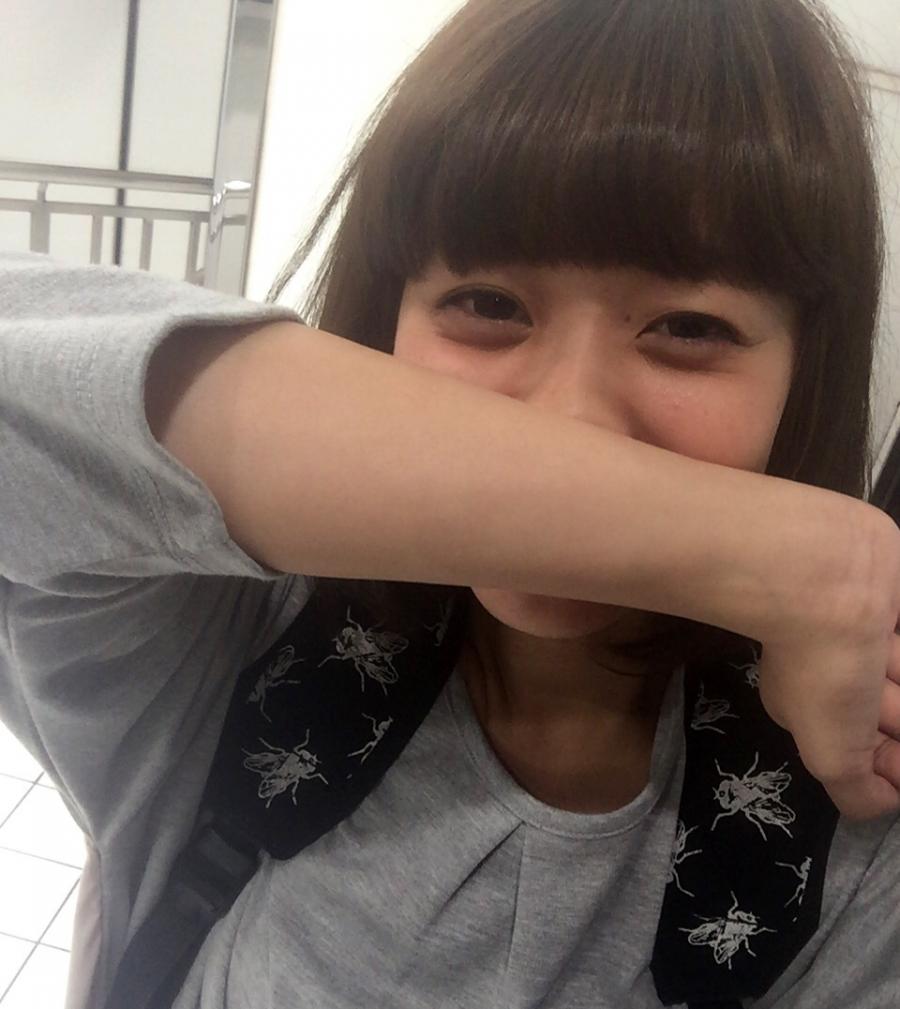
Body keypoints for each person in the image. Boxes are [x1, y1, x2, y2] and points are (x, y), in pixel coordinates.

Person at [1, 0, 899, 1007]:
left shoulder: (849, 802)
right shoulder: (236, 630)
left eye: (690, 326)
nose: (568, 424)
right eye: (487, 304)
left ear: (804, 374)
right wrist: (791, 555)